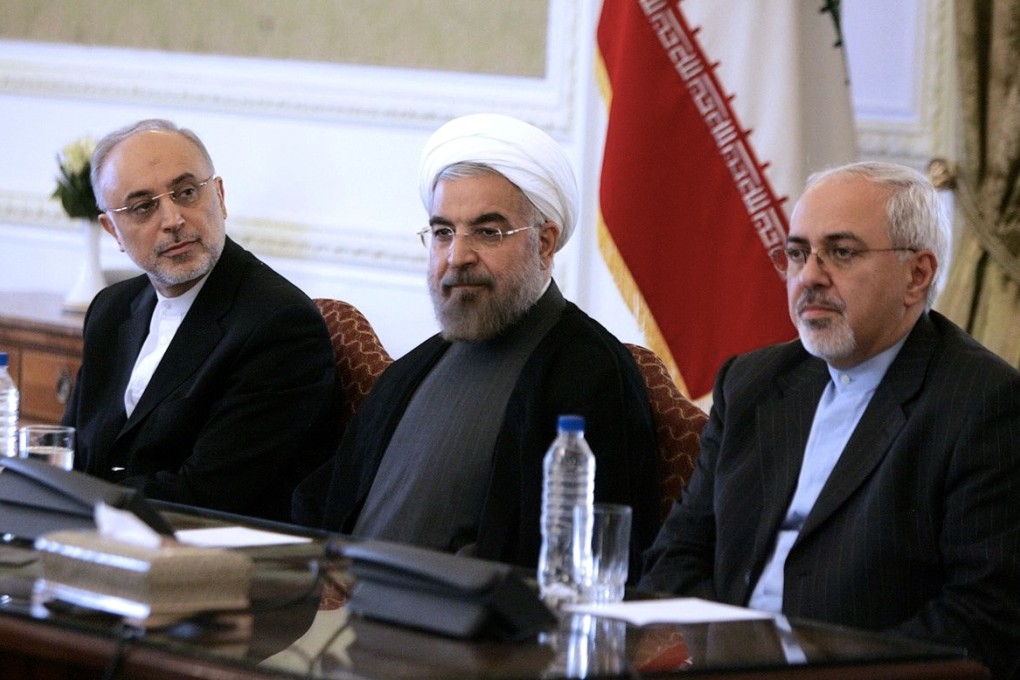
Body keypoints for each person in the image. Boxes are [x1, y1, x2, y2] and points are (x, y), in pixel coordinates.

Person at [640, 161, 1020, 679]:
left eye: (841, 253)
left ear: (918, 274)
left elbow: (982, 620)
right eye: (798, 254)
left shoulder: (983, 403)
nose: (810, 277)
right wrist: (729, 654)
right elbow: (677, 554)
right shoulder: (752, 382)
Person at [293, 113, 660, 577]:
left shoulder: (589, 372)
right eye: (443, 232)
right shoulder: (419, 365)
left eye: (487, 232)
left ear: (544, 244)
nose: (458, 256)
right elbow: (322, 506)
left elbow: (588, 570)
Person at [63, 119, 340, 522]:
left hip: (213, 564)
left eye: (187, 192)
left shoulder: (277, 324)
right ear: (113, 230)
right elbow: (73, 452)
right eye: (143, 207)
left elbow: (205, 495)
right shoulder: (111, 309)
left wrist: (74, 507)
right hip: (100, 542)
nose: (173, 219)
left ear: (220, 197)